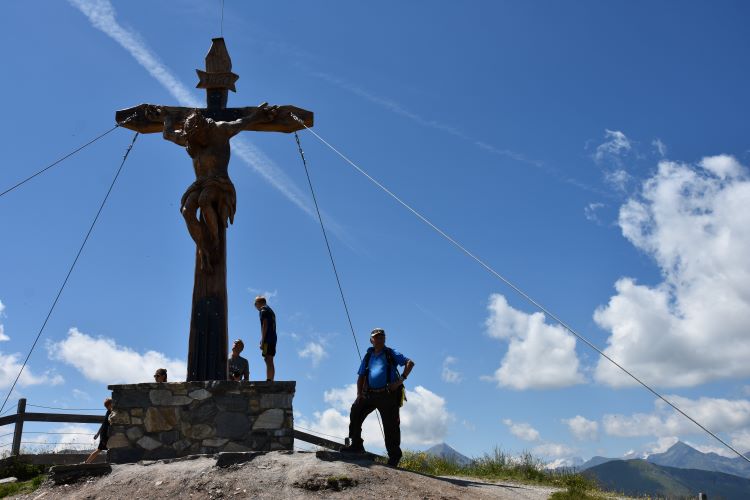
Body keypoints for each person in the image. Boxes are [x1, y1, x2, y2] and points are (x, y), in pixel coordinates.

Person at [341, 328, 415, 467]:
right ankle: (356, 445)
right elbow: (361, 376)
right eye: (376, 337)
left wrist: (400, 381)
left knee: (391, 426)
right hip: (370, 394)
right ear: (371, 340)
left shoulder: (390, 353)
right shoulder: (368, 356)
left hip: (388, 394)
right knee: (356, 411)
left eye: (381, 337)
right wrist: (359, 395)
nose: (379, 339)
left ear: (384, 339)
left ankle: (394, 457)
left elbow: (410, 363)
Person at [254, 296, 277, 381]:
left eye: (255, 303)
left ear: (259, 302)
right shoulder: (270, 311)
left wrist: (262, 340)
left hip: (268, 339)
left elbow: (265, 325)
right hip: (273, 338)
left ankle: (269, 379)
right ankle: (270, 379)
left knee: (268, 358)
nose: (255, 305)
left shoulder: (263, 310)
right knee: (268, 358)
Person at [85, 398, 113, 464]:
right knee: (106, 447)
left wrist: (97, 434)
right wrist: (97, 434)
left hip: (105, 432)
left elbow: (103, 424)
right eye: (112, 403)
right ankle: (87, 462)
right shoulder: (110, 413)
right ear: (109, 405)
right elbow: (104, 424)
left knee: (100, 449)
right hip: (106, 433)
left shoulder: (109, 412)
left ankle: (87, 462)